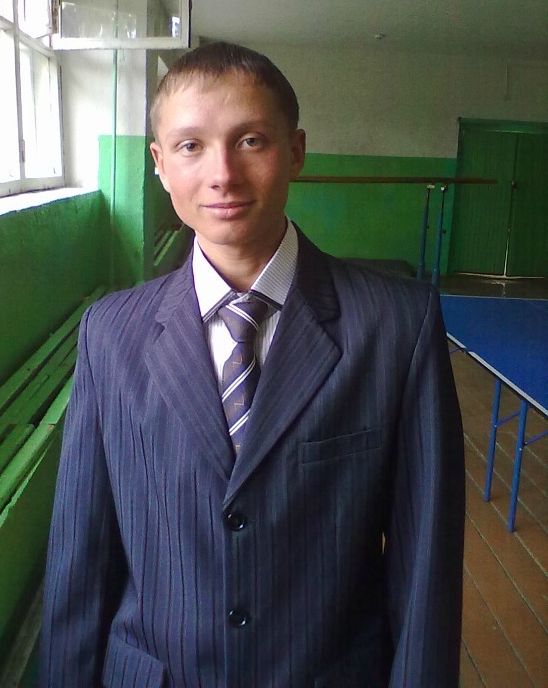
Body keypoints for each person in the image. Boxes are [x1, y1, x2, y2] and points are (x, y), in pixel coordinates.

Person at [40, 42, 465, 687]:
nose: (223, 175)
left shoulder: (396, 326)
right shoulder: (111, 335)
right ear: (159, 164)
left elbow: (426, 561)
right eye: (190, 146)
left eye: (250, 141)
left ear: (295, 151)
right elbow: (80, 555)